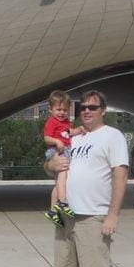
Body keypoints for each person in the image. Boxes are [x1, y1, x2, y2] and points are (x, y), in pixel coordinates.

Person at [47, 90, 128, 267]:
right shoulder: (74, 135)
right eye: (83, 106)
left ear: (103, 110)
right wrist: (51, 165)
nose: (87, 110)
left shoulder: (112, 136)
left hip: (93, 216)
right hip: (67, 214)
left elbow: (120, 175)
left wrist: (112, 214)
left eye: (93, 107)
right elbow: (52, 164)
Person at [42, 90, 84, 226]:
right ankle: (63, 202)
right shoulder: (52, 122)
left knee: (58, 183)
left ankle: (53, 210)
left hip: (65, 150)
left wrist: (79, 130)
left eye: (65, 110)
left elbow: (69, 133)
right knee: (63, 177)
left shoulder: (67, 123)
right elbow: (46, 138)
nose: (61, 113)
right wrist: (56, 141)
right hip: (56, 151)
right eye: (58, 109)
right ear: (50, 109)